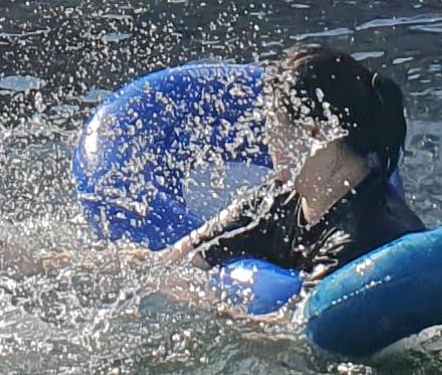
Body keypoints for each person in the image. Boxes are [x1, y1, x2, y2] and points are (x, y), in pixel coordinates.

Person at [168, 44, 421, 288]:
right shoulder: (278, 202)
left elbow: (305, 316)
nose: (267, 138)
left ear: (314, 133)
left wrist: (199, 295)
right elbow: (177, 257)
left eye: (273, 125)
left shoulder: (368, 237)